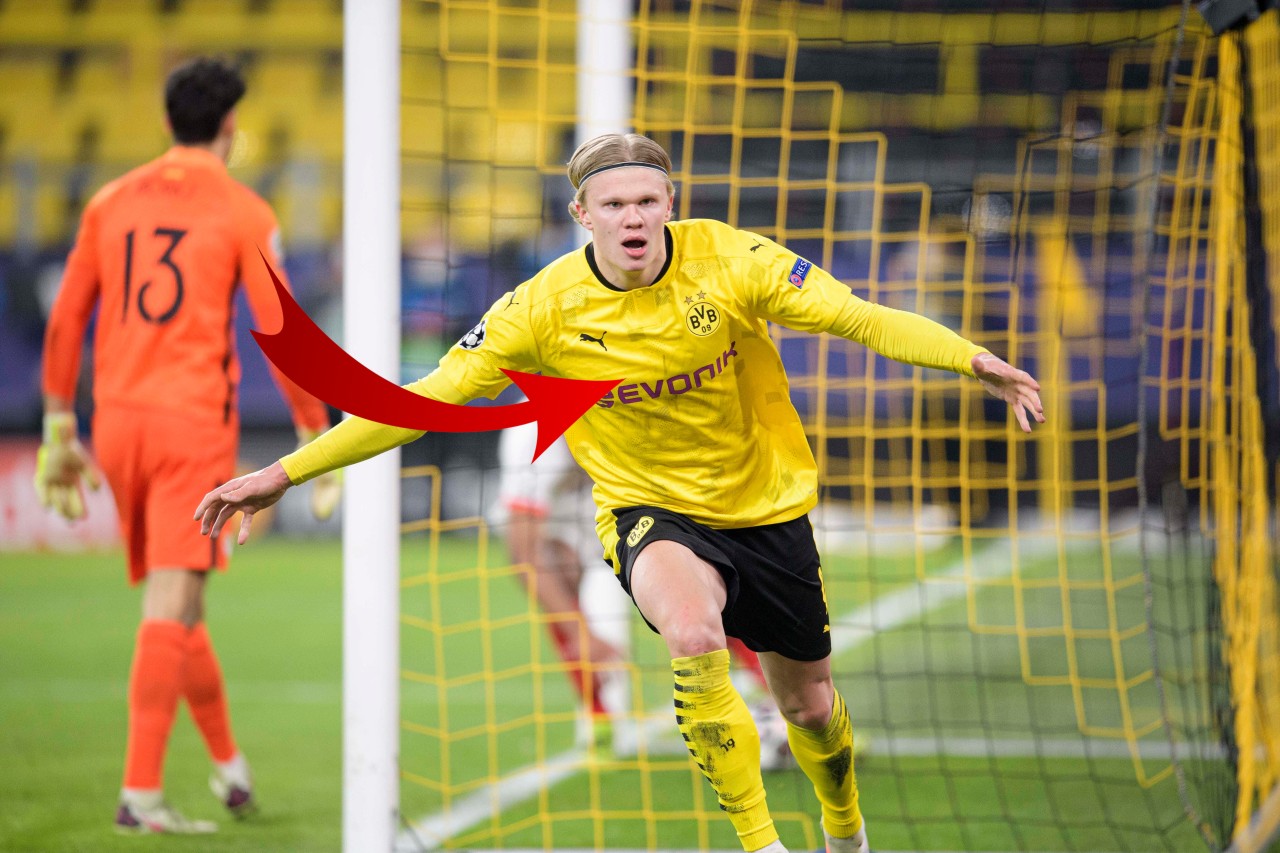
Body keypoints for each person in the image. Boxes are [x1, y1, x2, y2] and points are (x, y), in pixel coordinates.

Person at [196, 132, 1044, 853]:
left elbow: (861, 316)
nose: (633, 218)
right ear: (582, 214)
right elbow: (419, 404)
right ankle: (761, 843)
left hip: (766, 505)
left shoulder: (734, 261)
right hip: (650, 511)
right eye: (614, 204)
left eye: (647, 201)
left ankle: (844, 828)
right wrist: (284, 470)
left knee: (812, 707)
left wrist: (973, 359)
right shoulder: (541, 309)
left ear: (669, 201)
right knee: (691, 629)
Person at [34, 56, 340, 835]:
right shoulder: (241, 210)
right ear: (230, 128)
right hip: (189, 424)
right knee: (171, 599)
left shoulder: (107, 202)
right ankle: (139, 797)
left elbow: (68, 317)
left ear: (168, 122)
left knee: (185, 600)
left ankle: (230, 767)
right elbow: (280, 327)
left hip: (117, 423)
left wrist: (57, 426)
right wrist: (313, 431)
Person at [492, 426, 785, 761]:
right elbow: (523, 554)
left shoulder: (632, 414)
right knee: (558, 570)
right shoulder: (529, 442)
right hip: (565, 519)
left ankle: (790, 705)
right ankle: (599, 717)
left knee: (703, 579)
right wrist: (581, 632)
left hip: (627, 504)